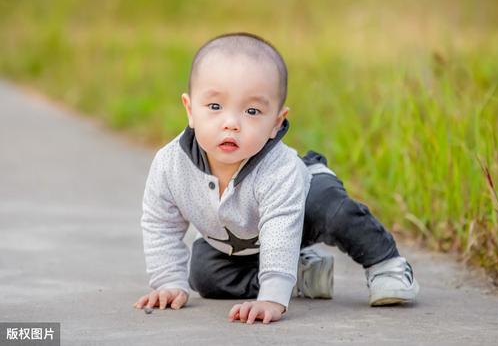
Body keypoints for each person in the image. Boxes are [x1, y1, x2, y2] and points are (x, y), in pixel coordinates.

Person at [133, 32, 419, 324]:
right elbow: (160, 222)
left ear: (276, 123)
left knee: (333, 210)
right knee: (205, 276)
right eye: (215, 107)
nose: (231, 123)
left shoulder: (279, 169)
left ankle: (386, 264)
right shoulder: (170, 165)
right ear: (190, 110)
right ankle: (299, 273)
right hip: (242, 238)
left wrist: (271, 298)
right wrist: (168, 281)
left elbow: (281, 229)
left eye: (252, 111)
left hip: (304, 200)